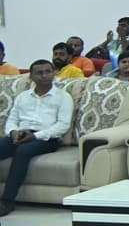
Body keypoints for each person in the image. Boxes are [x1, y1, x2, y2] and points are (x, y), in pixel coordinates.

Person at [0, 60, 75, 215]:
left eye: (48, 72)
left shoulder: (63, 97)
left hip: (46, 138)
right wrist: (13, 132)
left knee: (22, 151)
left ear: (54, 73)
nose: (44, 76)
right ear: (31, 76)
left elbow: (62, 126)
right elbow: (12, 120)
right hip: (20, 134)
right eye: (39, 73)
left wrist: (35, 136)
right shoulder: (23, 97)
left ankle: (7, 201)